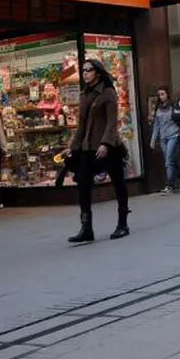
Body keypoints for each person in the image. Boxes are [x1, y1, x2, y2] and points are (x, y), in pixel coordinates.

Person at [68, 59, 129, 242]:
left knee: (118, 183)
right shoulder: (84, 94)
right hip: (87, 148)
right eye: (83, 70)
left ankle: (122, 224)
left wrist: (105, 144)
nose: (85, 73)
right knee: (83, 186)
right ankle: (86, 228)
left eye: (89, 70)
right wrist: (73, 147)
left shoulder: (108, 93)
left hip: (110, 147)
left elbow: (112, 122)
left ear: (98, 72)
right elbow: (82, 125)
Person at [150, 86, 180, 193]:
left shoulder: (174, 106)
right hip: (163, 138)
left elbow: (179, 120)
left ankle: (170, 185)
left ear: (167, 94)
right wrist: (153, 140)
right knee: (171, 160)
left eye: (163, 94)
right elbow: (156, 125)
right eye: (159, 94)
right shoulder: (158, 108)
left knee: (168, 161)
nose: (161, 96)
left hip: (173, 135)